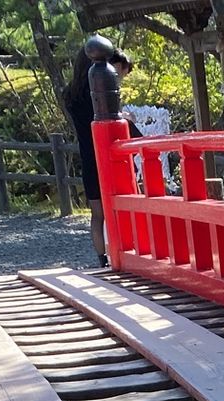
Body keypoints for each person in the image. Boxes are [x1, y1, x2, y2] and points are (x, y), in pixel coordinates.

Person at [65, 35, 132, 266]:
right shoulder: (97, 92)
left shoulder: (71, 95)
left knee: (97, 214)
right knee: (117, 208)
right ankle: (121, 252)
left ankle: (102, 258)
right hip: (106, 155)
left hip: (87, 156)